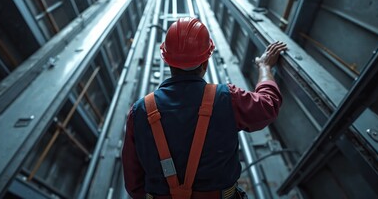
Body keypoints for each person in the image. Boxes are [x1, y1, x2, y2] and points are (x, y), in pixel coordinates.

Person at [122, 17, 287, 199]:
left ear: (168, 61)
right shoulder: (226, 98)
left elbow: (133, 182)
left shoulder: (140, 111)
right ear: (205, 63)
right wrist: (264, 67)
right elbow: (268, 105)